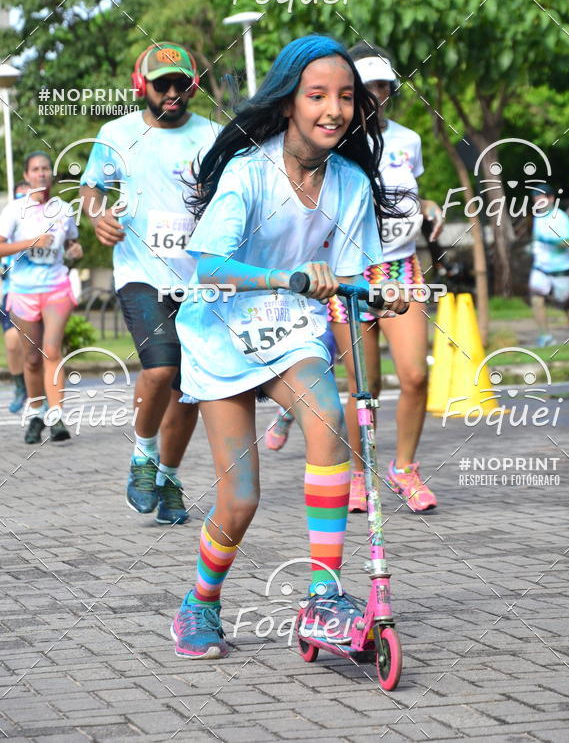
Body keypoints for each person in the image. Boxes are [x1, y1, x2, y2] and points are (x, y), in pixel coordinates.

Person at [170, 34, 409, 659]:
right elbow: (207, 266)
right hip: (219, 331)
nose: (334, 109)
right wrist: (284, 276)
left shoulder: (353, 183)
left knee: (327, 412)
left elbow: (362, 269)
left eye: (346, 98)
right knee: (240, 499)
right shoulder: (249, 172)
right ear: (287, 105)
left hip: (290, 328)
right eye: (317, 95)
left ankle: (324, 597)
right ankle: (200, 602)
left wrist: (386, 291)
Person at [80, 41, 218, 525]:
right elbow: (90, 187)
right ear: (144, 87)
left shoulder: (214, 135)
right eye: (164, 85)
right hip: (140, 271)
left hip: (199, 281)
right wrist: (98, 216)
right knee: (160, 369)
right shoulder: (116, 133)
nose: (174, 92)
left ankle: (171, 479)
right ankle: (143, 454)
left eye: (182, 83)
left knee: (189, 390)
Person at [327, 43, 443, 513]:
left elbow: (408, 193)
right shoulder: (333, 142)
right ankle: (358, 474)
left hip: (401, 269)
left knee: (415, 375)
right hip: (350, 275)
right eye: (365, 87)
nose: (375, 96)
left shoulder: (409, 140)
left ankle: (405, 469)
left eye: (382, 87)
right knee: (365, 386)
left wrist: (429, 206)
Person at [0, 153, 82, 444]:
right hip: (23, 290)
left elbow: (71, 241)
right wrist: (31, 242)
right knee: (32, 359)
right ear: (27, 175)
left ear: (51, 174)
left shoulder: (63, 208)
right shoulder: (14, 210)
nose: (42, 173)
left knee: (52, 351)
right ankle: (36, 411)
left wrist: (75, 250)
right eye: (36, 169)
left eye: (46, 168)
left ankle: (56, 415)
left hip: (56, 286)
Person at [529, 183, 569, 347]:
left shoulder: (561, 218)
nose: (538, 203)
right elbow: (536, 239)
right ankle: (546, 337)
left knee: (567, 306)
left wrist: (550, 241)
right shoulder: (537, 218)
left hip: (562, 269)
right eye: (535, 200)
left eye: (541, 199)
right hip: (540, 267)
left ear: (551, 199)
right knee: (536, 300)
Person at [1, 180, 30, 413]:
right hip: (11, 293)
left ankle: (45, 394)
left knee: (40, 348)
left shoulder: (41, 225)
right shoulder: (7, 229)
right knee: (12, 343)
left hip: (40, 291)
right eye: (19, 196)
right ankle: (21, 387)